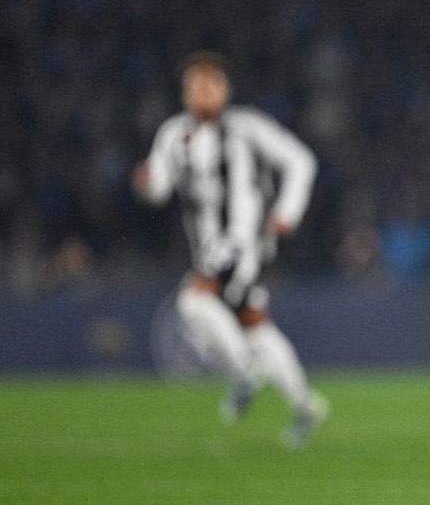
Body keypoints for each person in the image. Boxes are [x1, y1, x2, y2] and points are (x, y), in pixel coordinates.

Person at [132, 51, 328, 448]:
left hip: (245, 241)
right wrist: (146, 184)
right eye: (195, 84)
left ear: (226, 89)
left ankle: (242, 374)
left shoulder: (247, 128)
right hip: (206, 246)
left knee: (193, 299)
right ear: (185, 92)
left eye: (211, 83)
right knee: (255, 325)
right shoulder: (173, 134)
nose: (203, 91)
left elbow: (301, 161)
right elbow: (160, 189)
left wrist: (287, 212)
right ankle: (306, 406)